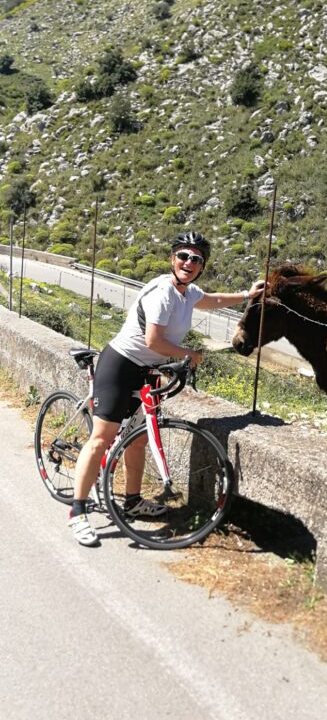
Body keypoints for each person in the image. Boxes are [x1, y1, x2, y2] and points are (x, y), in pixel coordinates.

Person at [69, 229, 266, 547]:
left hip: (148, 369)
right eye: (184, 256)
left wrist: (247, 295)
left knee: (139, 439)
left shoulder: (188, 292)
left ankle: (132, 501)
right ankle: (78, 513)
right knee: (103, 438)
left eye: (197, 259)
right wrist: (191, 354)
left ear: (202, 266)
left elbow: (212, 301)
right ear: (173, 259)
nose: (189, 262)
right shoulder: (163, 293)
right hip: (121, 363)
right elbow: (154, 341)